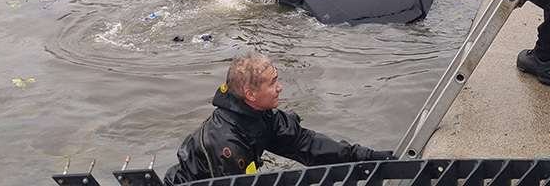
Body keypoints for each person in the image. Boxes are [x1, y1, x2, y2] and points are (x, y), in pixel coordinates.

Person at [164, 50, 395, 185]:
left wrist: (362, 156)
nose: (280, 88)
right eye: (272, 83)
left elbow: (307, 144)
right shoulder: (226, 143)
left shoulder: (262, 116)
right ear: (250, 95)